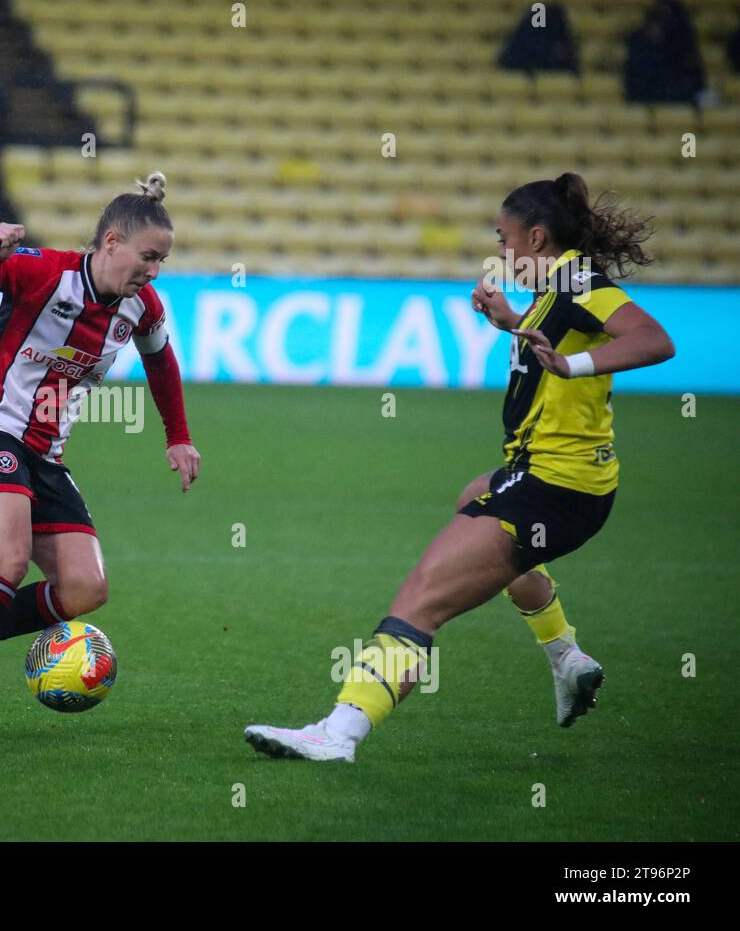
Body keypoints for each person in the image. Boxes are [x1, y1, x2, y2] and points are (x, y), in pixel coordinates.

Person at [245, 173, 673, 762]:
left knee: (421, 599)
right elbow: (553, 346)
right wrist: (510, 323)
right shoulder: (555, 292)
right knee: (473, 497)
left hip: (554, 485)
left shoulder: (578, 283)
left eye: (505, 239)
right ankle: (566, 658)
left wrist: (575, 367)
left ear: (538, 236)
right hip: (562, 481)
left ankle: (337, 734)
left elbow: (653, 339)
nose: (500, 251)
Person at [0, 172, 201, 737]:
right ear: (111, 242)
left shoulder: (141, 308)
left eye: (162, 261)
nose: (153, 271)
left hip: (45, 457)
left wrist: (178, 436)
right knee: (8, 560)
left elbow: (161, 362)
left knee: (85, 589)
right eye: (148, 256)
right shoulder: (47, 273)